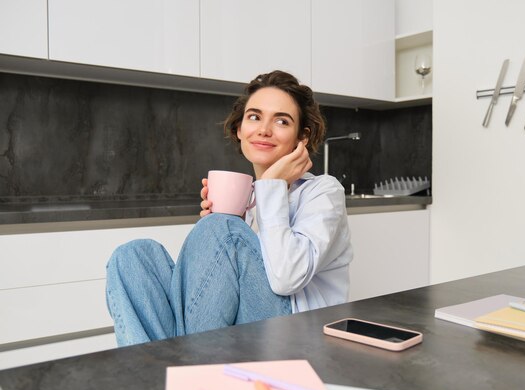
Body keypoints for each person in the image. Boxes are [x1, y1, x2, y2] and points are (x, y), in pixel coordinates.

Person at [105, 70, 353, 347]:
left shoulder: (323, 192)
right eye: (254, 117)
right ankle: (160, 374)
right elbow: (214, 296)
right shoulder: (247, 199)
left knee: (221, 229)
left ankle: (178, 373)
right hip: (239, 331)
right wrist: (214, 242)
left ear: (301, 137)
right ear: (239, 129)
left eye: (282, 121)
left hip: (295, 335)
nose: (264, 130)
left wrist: (268, 190)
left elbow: (286, 279)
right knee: (133, 256)